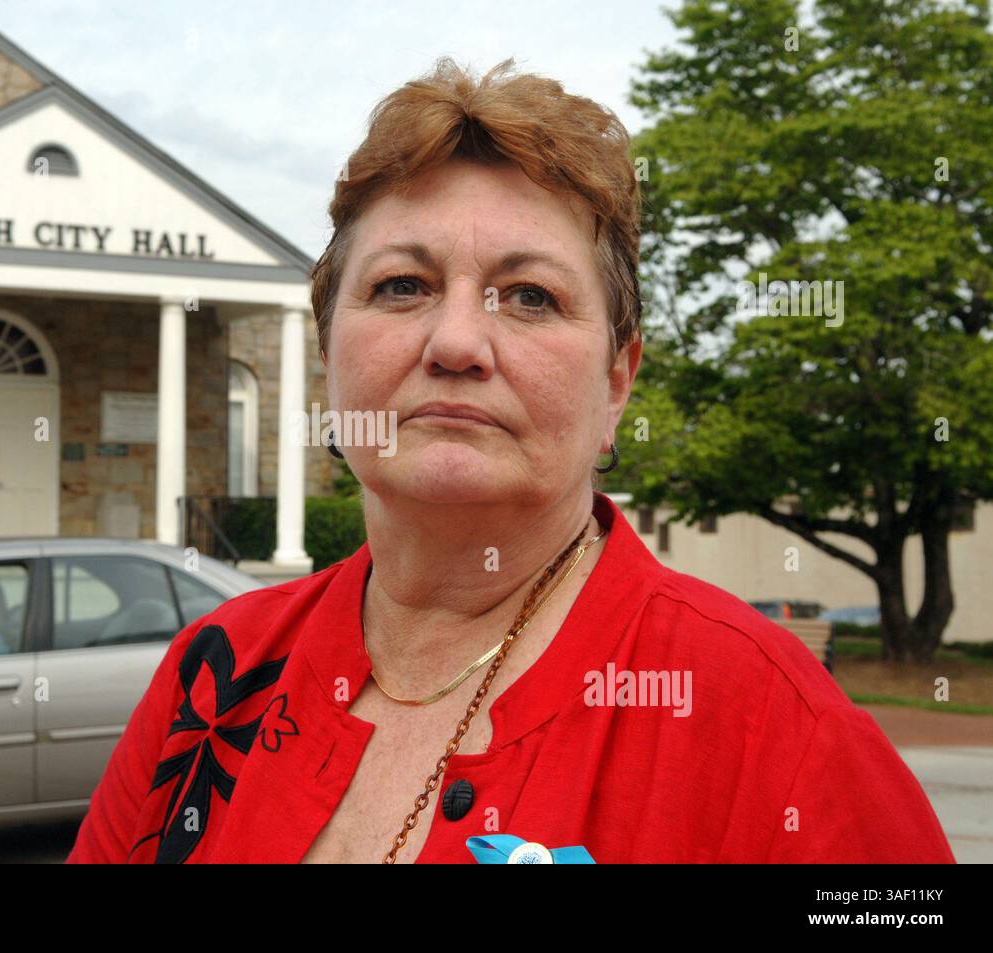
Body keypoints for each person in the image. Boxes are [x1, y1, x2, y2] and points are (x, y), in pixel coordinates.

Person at [67, 58, 954, 864]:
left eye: (530, 296)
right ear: (328, 355)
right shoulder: (212, 674)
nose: (457, 341)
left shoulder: (770, 721)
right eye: (401, 286)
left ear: (616, 383)